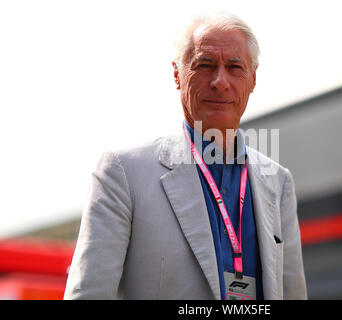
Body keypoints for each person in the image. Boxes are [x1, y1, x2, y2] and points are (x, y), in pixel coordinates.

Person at [64, 12, 307, 300]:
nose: (220, 81)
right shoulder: (123, 174)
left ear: (253, 79)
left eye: (234, 67)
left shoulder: (278, 182)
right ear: (178, 75)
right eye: (204, 65)